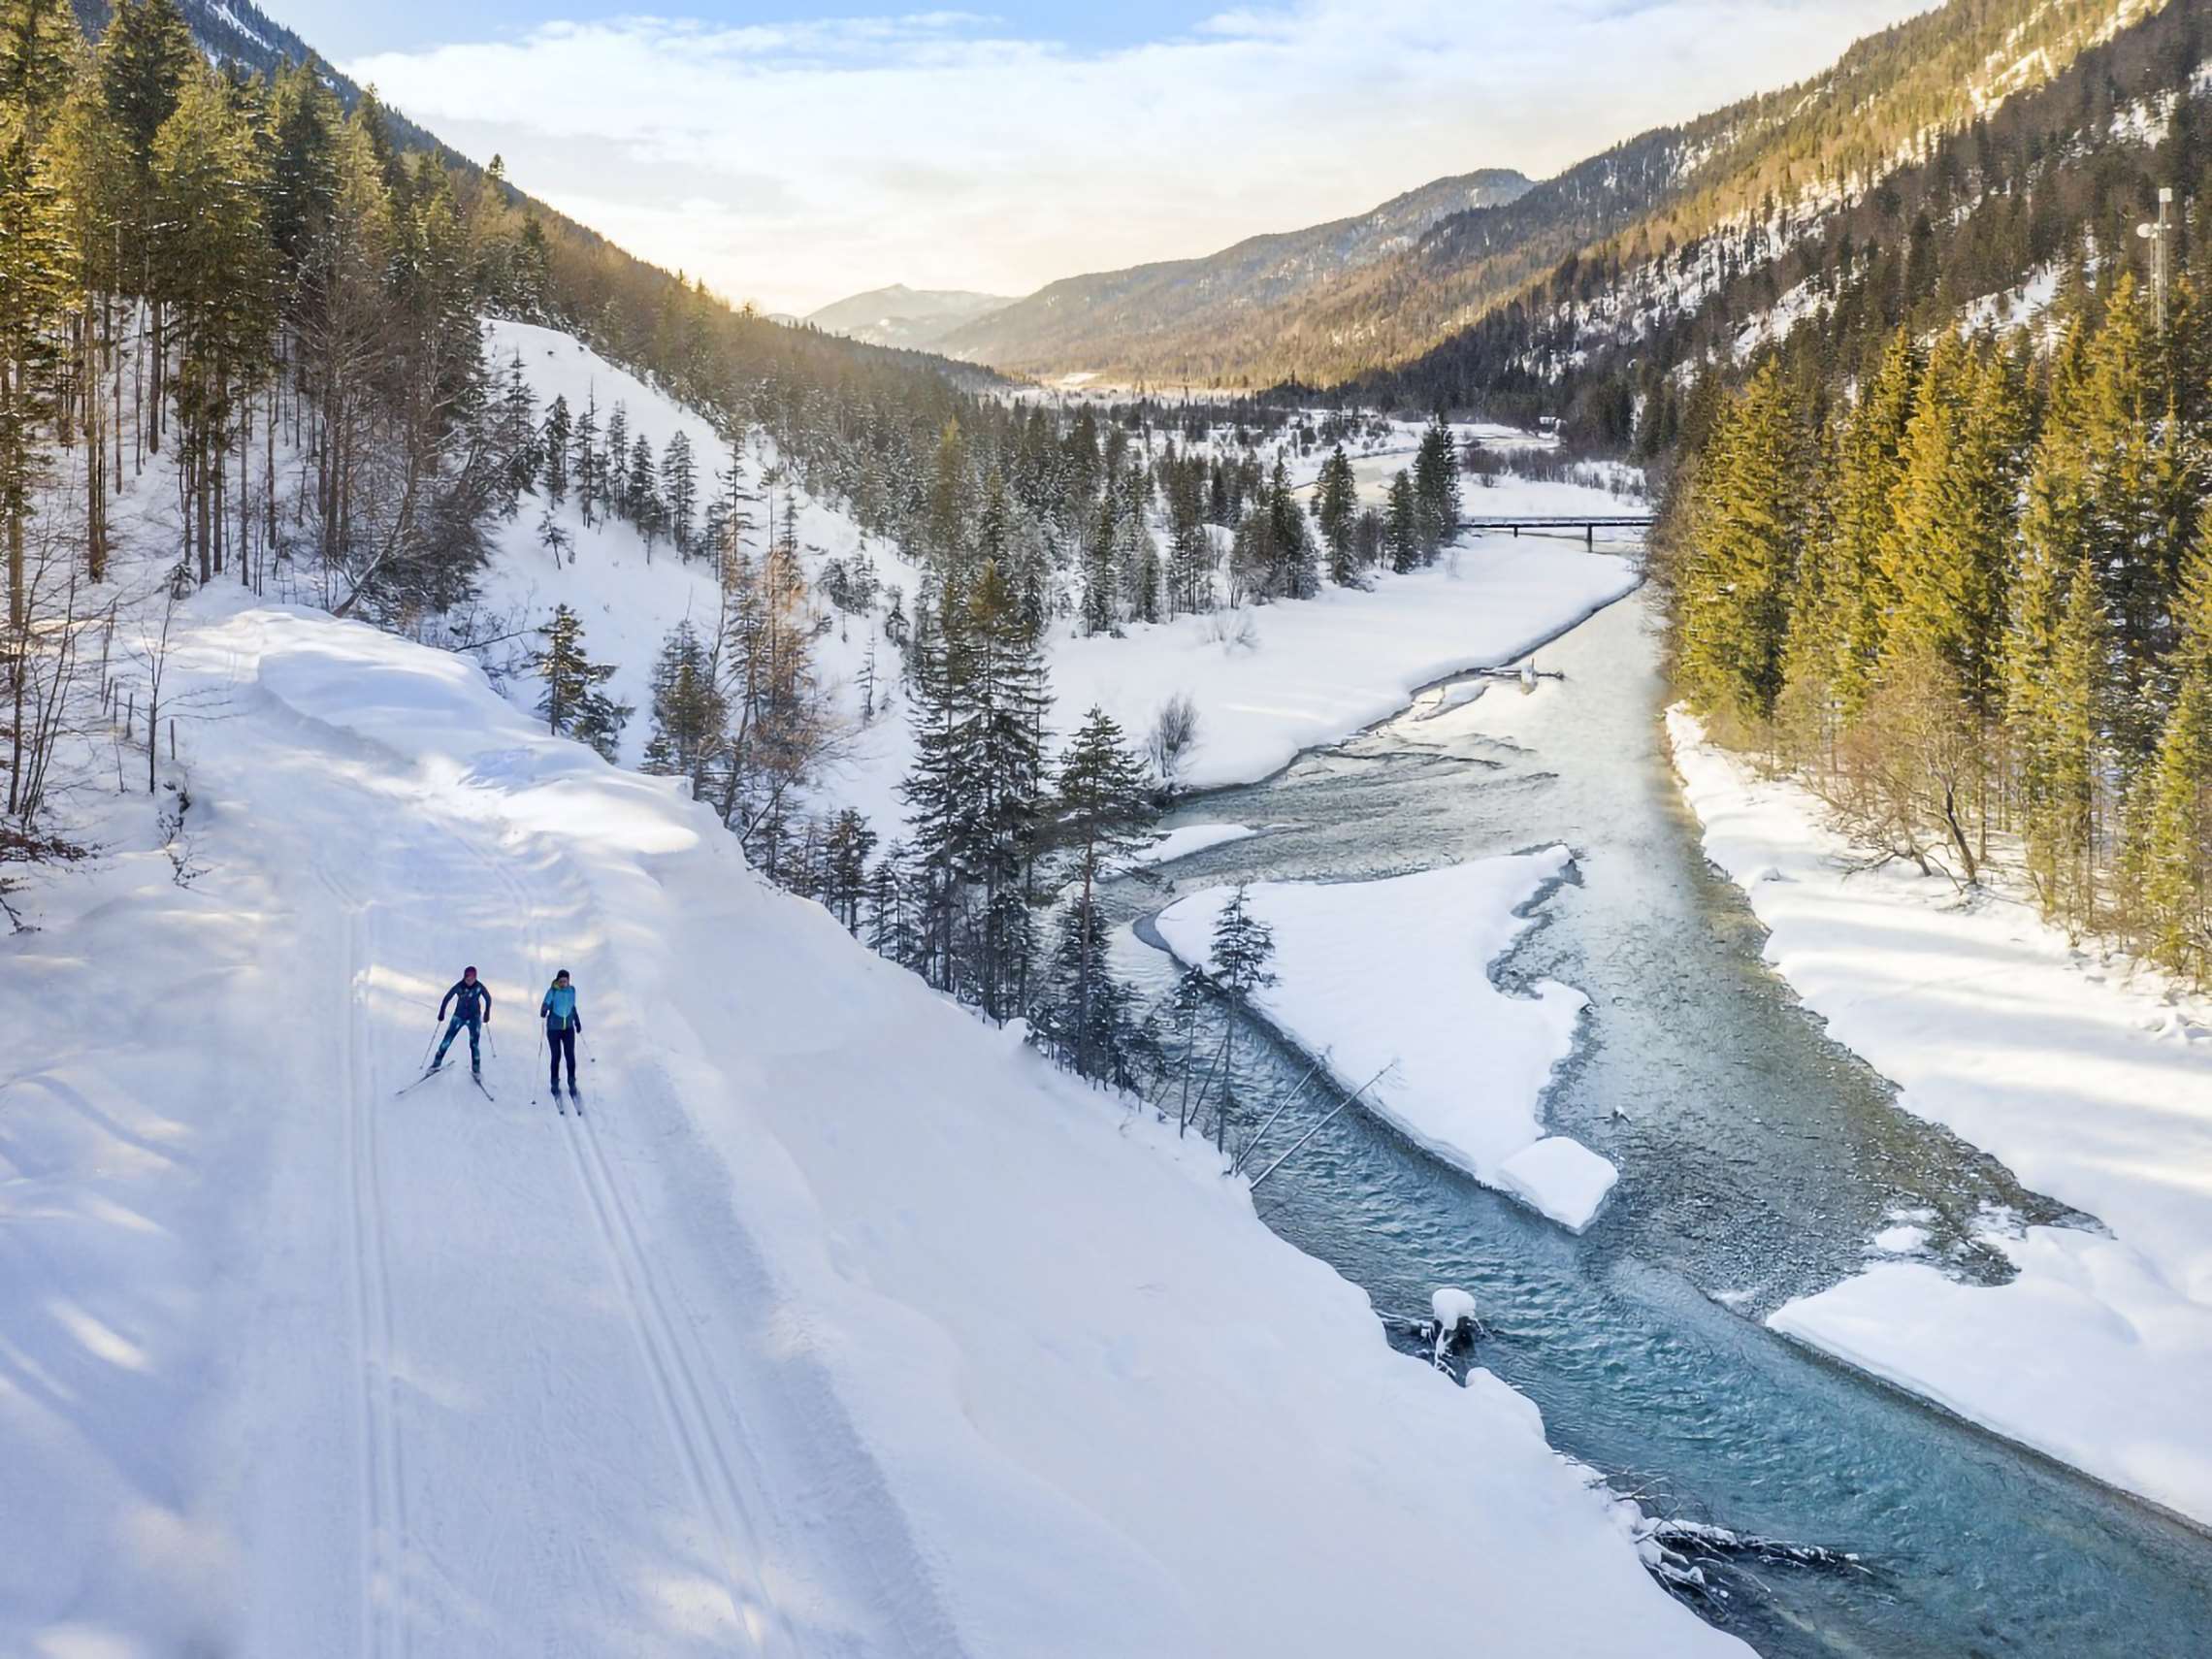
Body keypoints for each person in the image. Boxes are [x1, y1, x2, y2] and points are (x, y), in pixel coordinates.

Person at [434, 965, 493, 1078]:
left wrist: (487, 1012)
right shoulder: (459, 987)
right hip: (459, 1017)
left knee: (474, 1044)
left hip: (474, 1018)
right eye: (467, 978)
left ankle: (476, 1070)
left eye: (472, 978)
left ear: (475, 978)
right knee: (447, 1040)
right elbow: (447, 998)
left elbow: (488, 998)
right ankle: (436, 1063)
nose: (469, 981)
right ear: (464, 977)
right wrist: (442, 1012)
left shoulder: (479, 987)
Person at [541, 969, 582, 1093]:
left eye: (565, 981)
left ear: (568, 981)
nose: (563, 983)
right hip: (554, 1029)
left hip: (568, 1028)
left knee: (570, 1055)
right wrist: (544, 1009)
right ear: (557, 981)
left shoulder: (572, 991)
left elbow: (572, 1006)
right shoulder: (552, 991)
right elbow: (545, 1003)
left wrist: (577, 1021)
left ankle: (571, 1081)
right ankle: (554, 1082)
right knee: (556, 1055)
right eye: (561, 981)